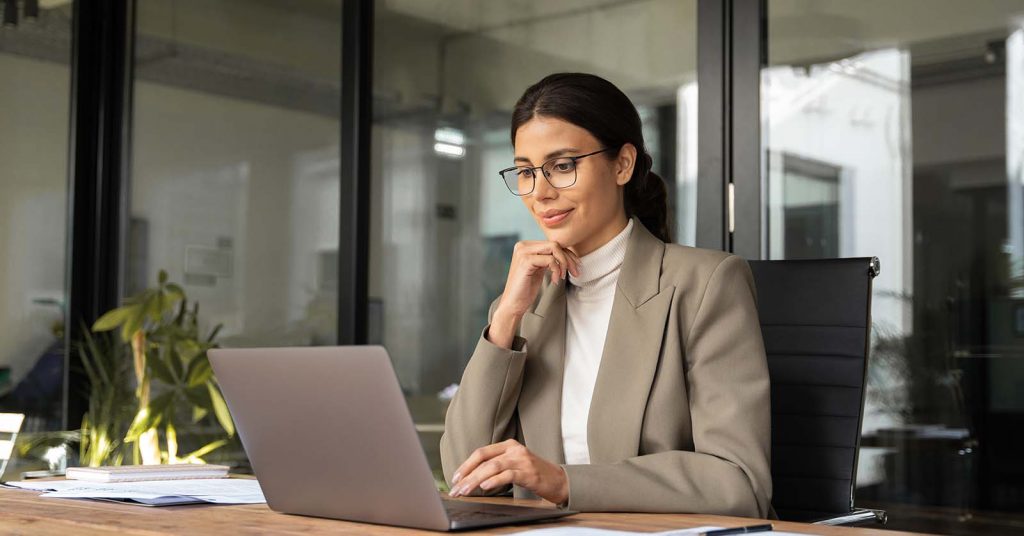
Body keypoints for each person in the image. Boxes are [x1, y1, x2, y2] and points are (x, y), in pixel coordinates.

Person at [439, 72, 772, 518]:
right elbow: (466, 477)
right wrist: (506, 319)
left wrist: (564, 481)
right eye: (524, 172)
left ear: (622, 165)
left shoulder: (706, 283)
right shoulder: (525, 306)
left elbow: (740, 483)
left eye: (562, 165)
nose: (540, 193)